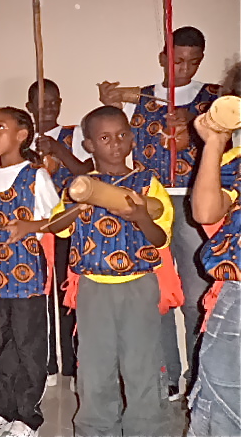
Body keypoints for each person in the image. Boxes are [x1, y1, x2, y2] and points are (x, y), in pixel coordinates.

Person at [99, 26, 220, 398]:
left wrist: (190, 124)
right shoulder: (144, 100)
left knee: (196, 296)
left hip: (192, 204)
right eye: (177, 60)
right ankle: (165, 373)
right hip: (150, 203)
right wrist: (112, 99)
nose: (184, 69)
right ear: (163, 58)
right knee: (157, 294)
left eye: (193, 62)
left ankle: (200, 376)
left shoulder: (212, 98)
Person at [49, 106, 173, 436]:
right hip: (93, 288)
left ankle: (145, 429)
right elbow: (57, 228)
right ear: (89, 145)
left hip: (139, 285)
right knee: (94, 363)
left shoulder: (147, 184)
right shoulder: (80, 185)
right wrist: (77, 205)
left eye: (121, 135)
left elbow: (160, 238)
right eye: (105, 138)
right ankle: (95, 428)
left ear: (132, 139)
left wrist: (141, 217)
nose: (115, 143)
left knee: (141, 362)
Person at [0, 107, 59, 437]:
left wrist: (29, 226)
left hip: (27, 277)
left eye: (0, 128)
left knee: (28, 344)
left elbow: (58, 221)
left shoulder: (35, 176)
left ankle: (27, 415)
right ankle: (0, 408)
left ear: (22, 135)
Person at [187, 61, 241, 436]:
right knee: (219, 403)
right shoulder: (235, 165)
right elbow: (206, 210)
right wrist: (214, 143)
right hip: (237, 293)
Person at [28, 78, 92, 387]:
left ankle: (71, 361)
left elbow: (87, 173)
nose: (50, 108)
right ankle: (48, 361)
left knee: (67, 293)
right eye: (42, 104)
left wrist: (59, 150)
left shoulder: (74, 134)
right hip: (36, 228)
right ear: (30, 108)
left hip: (69, 226)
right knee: (41, 295)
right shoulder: (24, 140)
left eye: (54, 102)